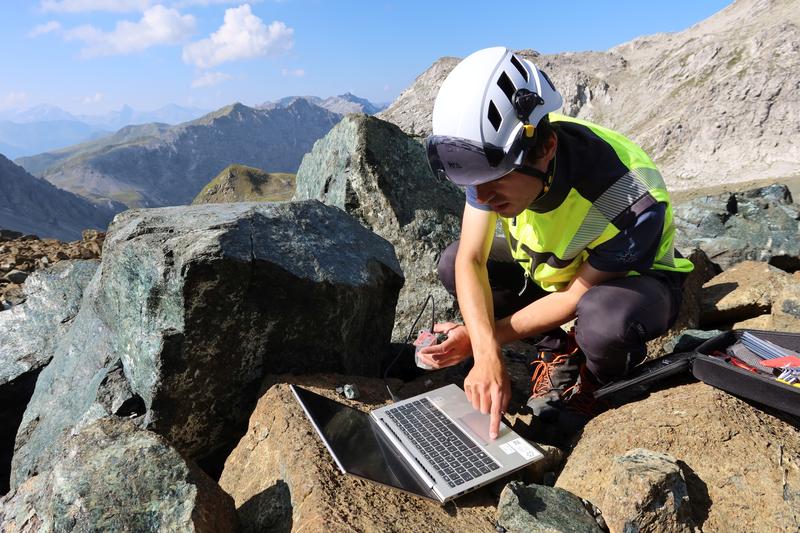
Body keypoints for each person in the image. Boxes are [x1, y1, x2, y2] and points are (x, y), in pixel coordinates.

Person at [418, 47, 693, 441]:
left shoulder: (630, 197)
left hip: (631, 281)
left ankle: (600, 383)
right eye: (472, 184)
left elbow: (573, 299)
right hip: (553, 270)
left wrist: (484, 340)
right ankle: (556, 351)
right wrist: (479, 344)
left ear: (546, 149)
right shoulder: (495, 159)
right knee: (449, 262)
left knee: (602, 319)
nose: (483, 195)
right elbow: (470, 259)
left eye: (495, 180)